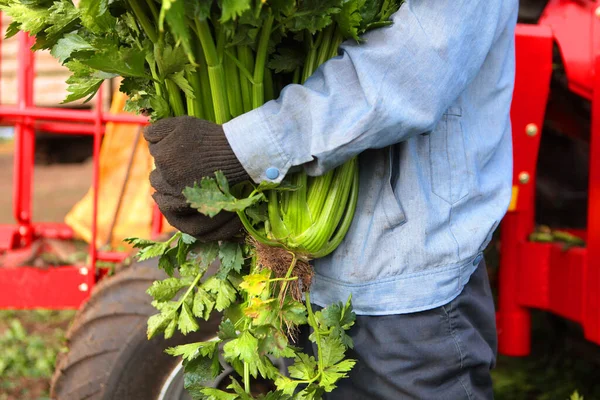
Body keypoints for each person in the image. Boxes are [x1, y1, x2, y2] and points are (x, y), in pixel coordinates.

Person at [143, 0, 519, 398]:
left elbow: (411, 72)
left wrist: (243, 149)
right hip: (289, 289)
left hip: (406, 298)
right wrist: (241, 195)